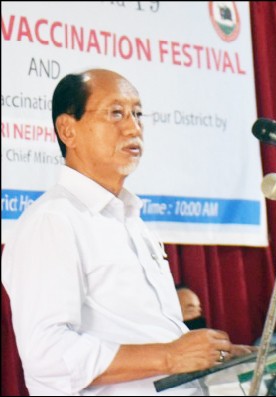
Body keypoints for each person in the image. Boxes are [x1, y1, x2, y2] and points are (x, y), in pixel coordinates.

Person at [0, 69, 249, 395]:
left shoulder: (131, 219)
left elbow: (145, 333)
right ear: (67, 130)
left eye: (137, 114)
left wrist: (212, 357)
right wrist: (170, 356)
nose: (133, 128)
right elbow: (47, 354)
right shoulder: (52, 221)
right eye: (115, 113)